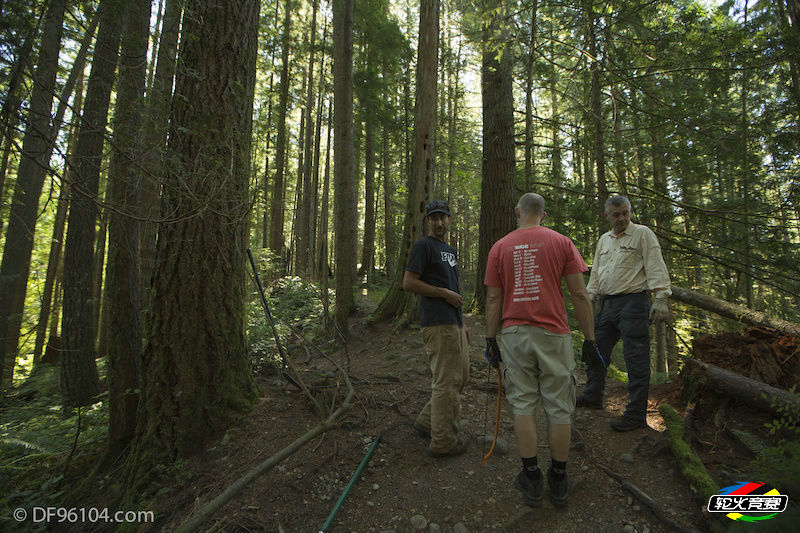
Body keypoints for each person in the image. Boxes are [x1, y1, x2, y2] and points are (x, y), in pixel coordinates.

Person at [484, 193, 596, 508]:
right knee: (559, 407)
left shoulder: (500, 247)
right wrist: (590, 339)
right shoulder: (562, 242)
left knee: (523, 404)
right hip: (554, 334)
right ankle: (558, 479)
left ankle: (531, 478)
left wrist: (490, 340)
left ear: (517, 212)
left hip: (515, 335)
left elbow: (494, 299)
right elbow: (579, 293)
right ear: (543, 216)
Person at [577, 195, 672, 432]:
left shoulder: (642, 234)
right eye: (616, 214)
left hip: (634, 303)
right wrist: (589, 296)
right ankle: (592, 395)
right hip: (607, 304)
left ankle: (636, 414)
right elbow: (597, 272)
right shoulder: (604, 241)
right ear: (607, 215)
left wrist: (661, 298)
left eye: (625, 213)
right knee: (596, 349)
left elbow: (655, 265)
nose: (622, 218)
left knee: (636, 358)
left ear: (629, 212)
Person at [403, 199, 471, 458]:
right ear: (428, 221)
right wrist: (441, 293)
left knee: (461, 376)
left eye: (443, 217)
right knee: (447, 382)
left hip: (453, 323)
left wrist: (462, 322)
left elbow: (454, 289)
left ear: (450, 220)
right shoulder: (423, 246)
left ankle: (427, 421)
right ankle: (443, 442)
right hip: (437, 323)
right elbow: (409, 283)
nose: (439, 222)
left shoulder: (450, 251)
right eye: (434, 218)